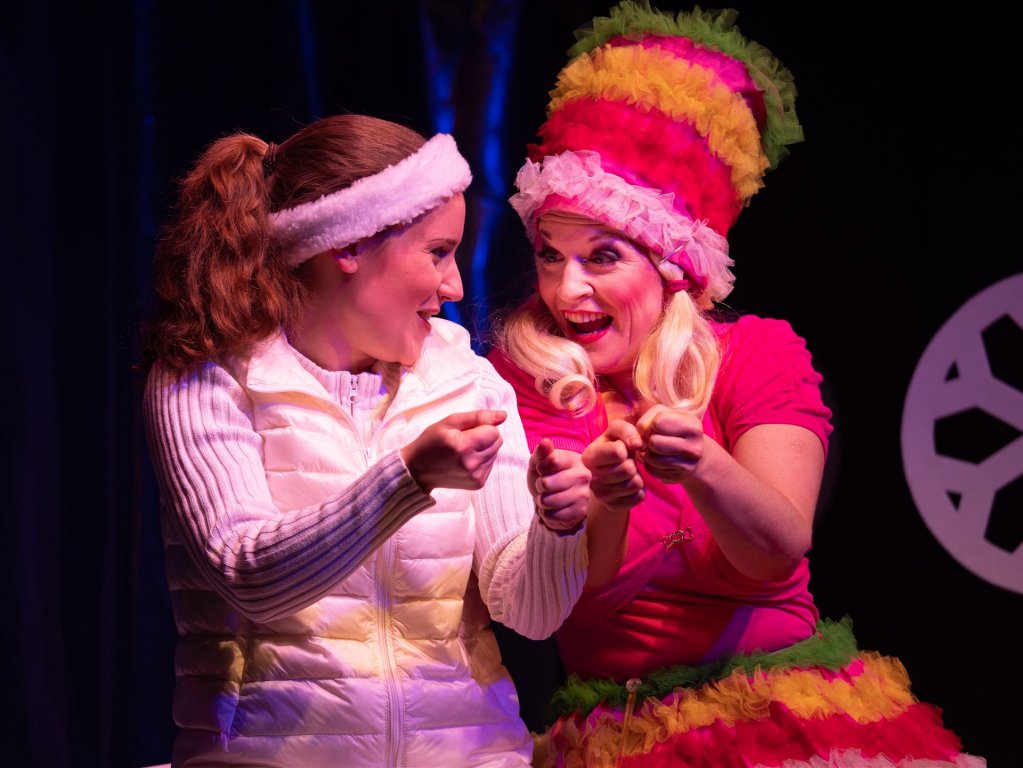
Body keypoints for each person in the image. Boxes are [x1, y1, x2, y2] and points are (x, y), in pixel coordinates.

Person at [487, 3, 987, 766]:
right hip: (614, 731)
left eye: (601, 256)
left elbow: (776, 551)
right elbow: (569, 599)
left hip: (777, 711)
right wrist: (608, 500)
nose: (565, 289)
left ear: (672, 268)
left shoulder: (755, 353)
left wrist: (702, 463)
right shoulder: (527, 375)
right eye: (550, 254)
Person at [141, 112, 594, 767]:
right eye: (437, 252)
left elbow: (531, 614)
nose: (454, 286)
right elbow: (248, 576)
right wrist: (408, 477)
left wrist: (558, 527)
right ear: (349, 246)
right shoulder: (208, 375)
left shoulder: (467, 380)